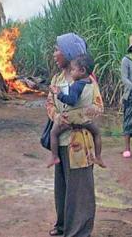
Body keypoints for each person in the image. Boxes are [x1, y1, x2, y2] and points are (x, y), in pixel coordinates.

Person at [46, 32, 104, 237]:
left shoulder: (88, 81)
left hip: (80, 142)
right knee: (62, 187)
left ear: (69, 53)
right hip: (61, 140)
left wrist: (76, 117)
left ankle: (78, 231)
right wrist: (57, 117)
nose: (54, 54)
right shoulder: (57, 78)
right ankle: (63, 225)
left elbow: (98, 106)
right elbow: (50, 104)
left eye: (57, 50)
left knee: (80, 190)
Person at [48, 53, 105, 169]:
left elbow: (71, 100)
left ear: (82, 70)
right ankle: (98, 156)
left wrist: (59, 94)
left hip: (72, 119)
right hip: (86, 120)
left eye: (73, 70)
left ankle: (54, 156)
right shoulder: (90, 82)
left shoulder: (76, 85)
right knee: (97, 133)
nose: (72, 72)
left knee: (53, 133)